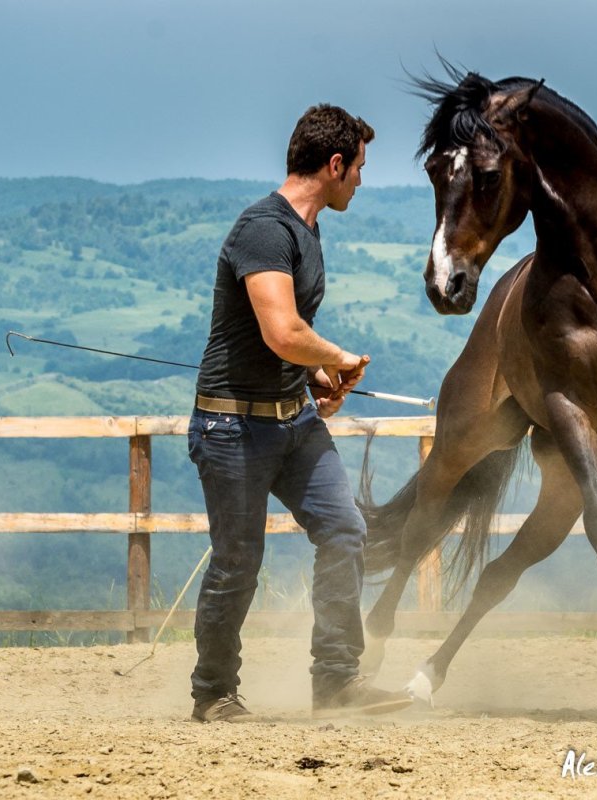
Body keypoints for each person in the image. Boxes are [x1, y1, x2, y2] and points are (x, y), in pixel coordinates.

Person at [187, 104, 412, 722]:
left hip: (292, 419)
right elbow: (284, 330)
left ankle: (337, 681)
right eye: (360, 168)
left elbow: (282, 342)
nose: (362, 180)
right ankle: (212, 693)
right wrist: (334, 355)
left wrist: (318, 378)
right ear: (334, 165)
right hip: (231, 425)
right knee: (238, 560)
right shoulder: (263, 229)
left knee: (345, 529)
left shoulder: (307, 233)